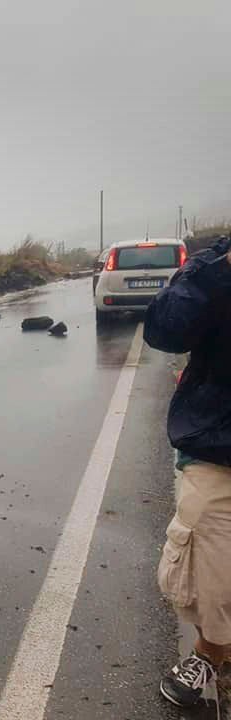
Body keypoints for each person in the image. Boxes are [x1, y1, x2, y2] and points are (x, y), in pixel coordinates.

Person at [144, 236, 231, 708]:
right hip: (221, 448)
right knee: (204, 578)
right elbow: (165, 332)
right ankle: (209, 651)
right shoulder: (213, 266)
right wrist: (222, 271)